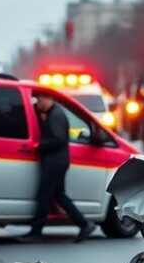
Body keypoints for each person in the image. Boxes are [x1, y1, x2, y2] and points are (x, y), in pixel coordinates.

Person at [19, 95, 94, 243]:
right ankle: (84, 224)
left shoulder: (56, 115)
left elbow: (58, 139)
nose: (38, 102)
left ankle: (36, 231)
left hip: (55, 162)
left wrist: (40, 146)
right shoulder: (50, 113)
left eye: (40, 99)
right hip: (57, 161)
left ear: (50, 99)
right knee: (59, 195)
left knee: (44, 195)